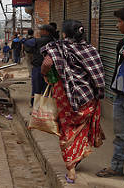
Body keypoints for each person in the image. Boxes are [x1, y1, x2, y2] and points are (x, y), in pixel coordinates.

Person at [41, 20, 105, 184]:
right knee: (81, 128)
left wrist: (45, 75)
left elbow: (47, 63)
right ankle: (76, 158)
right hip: (87, 97)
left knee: (68, 128)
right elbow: (98, 74)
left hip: (67, 98)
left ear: (64, 34)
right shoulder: (91, 50)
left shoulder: (57, 48)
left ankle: (71, 168)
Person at [97, 6, 124, 183]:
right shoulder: (122, 44)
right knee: (120, 135)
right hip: (120, 97)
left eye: (119, 22)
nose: (117, 26)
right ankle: (116, 167)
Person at [30, 25, 54, 106]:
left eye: (41, 30)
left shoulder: (38, 41)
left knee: (37, 90)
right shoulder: (54, 41)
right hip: (50, 70)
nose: (39, 32)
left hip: (39, 68)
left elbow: (26, 44)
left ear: (46, 31)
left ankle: (36, 108)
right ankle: (44, 107)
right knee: (46, 89)